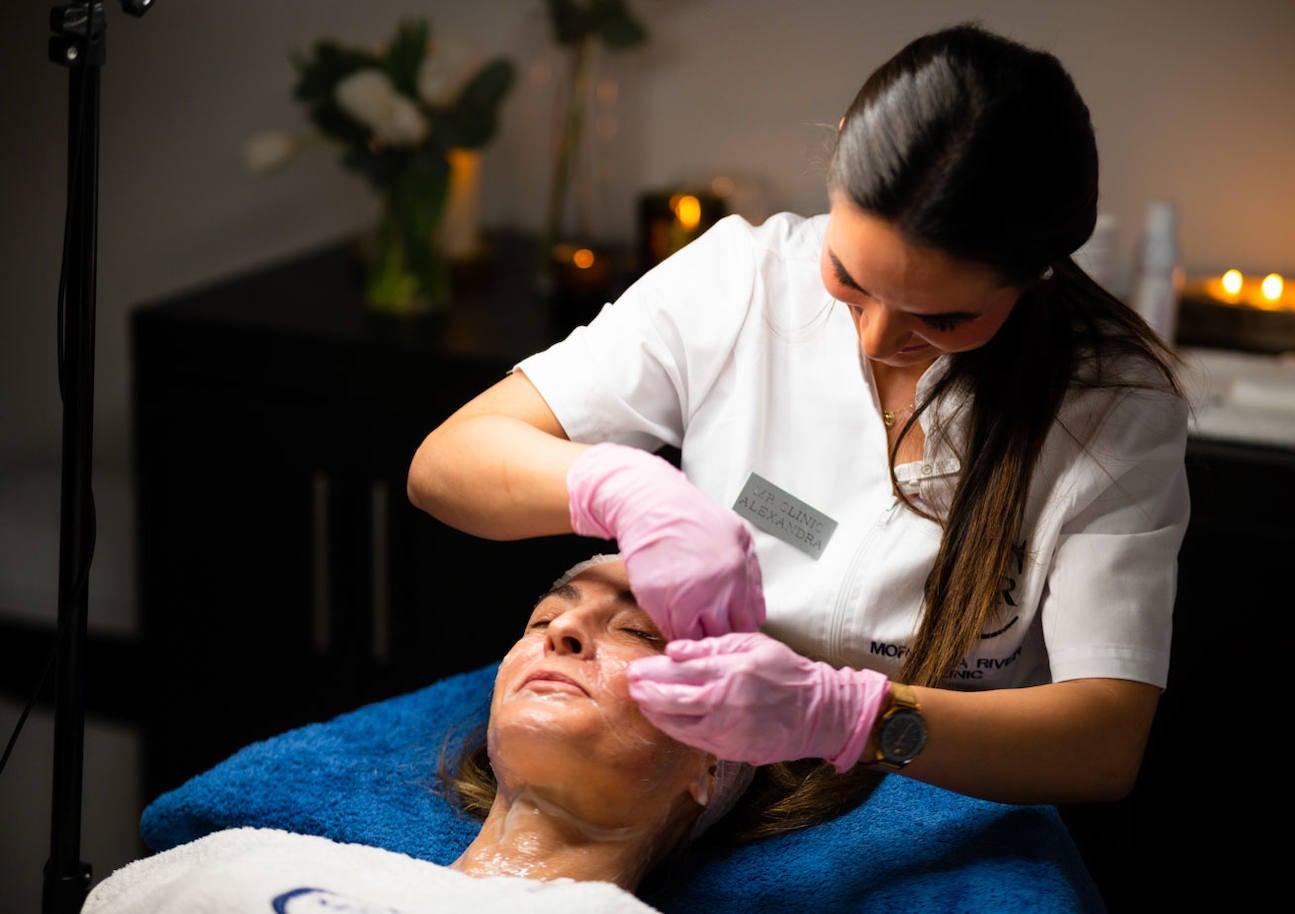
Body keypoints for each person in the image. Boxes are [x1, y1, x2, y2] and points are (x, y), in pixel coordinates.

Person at [407, 23, 1189, 806]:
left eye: (942, 319)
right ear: (839, 156)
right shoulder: (741, 280)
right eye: (849, 278)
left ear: (1041, 270)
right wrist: (623, 487)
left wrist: (849, 718)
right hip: (705, 767)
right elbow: (448, 463)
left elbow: (1103, 742)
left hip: (935, 799)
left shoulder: (1110, 409)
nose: (878, 338)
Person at [81, 557, 864, 914]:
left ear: (715, 761)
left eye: (640, 634)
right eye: (543, 618)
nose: (562, 632)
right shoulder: (251, 857)